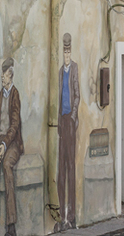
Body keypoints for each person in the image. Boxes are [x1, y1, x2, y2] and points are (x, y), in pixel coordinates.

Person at [0, 58, 24, 236]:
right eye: (1, 74)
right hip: (0, 144)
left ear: (11, 75)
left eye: (4, 74)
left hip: (13, 143)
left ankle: (11, 225)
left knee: (7, 166)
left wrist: (4, 144)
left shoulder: (15, 95)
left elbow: (15, 124)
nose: (2, 77)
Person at [55, 33, 79, 232]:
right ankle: (62, 215)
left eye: (69, 53)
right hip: (62, 123)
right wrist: (59, 122)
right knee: (61, 170)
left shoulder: (74, 69)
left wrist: (73, 115)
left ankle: (72, 216)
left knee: (71, 168)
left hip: (70, 121)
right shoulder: (59, 72)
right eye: (65, 53)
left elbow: (77, 94)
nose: (67, 56)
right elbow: (59, 96)